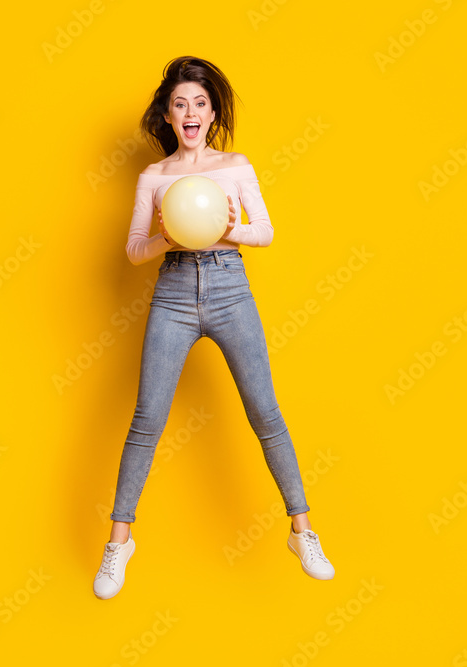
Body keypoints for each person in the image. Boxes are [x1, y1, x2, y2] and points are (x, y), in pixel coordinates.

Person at [93, 56, 334, 600]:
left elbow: (267, 231)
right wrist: (167, 241)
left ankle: (303, 532)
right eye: (180, 104)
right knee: (147, 418)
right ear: (168, 116)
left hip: (230, 289)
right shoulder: (154, 177)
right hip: (174, 290)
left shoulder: (235, 165)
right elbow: (134, 249)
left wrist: (233, 228)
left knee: (265, 412)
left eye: (200, 103)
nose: (190, 112)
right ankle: (119, 541)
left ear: (212, 110)